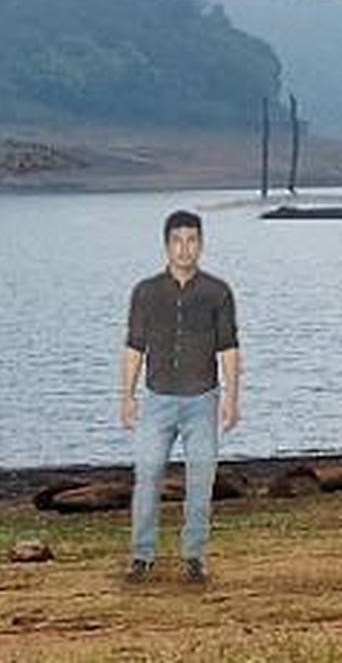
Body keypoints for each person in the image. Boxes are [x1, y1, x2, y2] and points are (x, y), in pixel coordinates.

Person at [118, 208, 240, 585]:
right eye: (177, 241)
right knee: (148, 475)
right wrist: (127, 396)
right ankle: (142, 555)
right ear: (166, 245)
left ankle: (194, 556)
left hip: (202, 400)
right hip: (156, 400)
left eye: (192, 241)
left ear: (201, 245)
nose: (184, 249)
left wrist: (232, 397)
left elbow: (229, 348)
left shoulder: (217, 292)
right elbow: (134, 347)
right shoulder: (146, 292)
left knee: (201, 480)